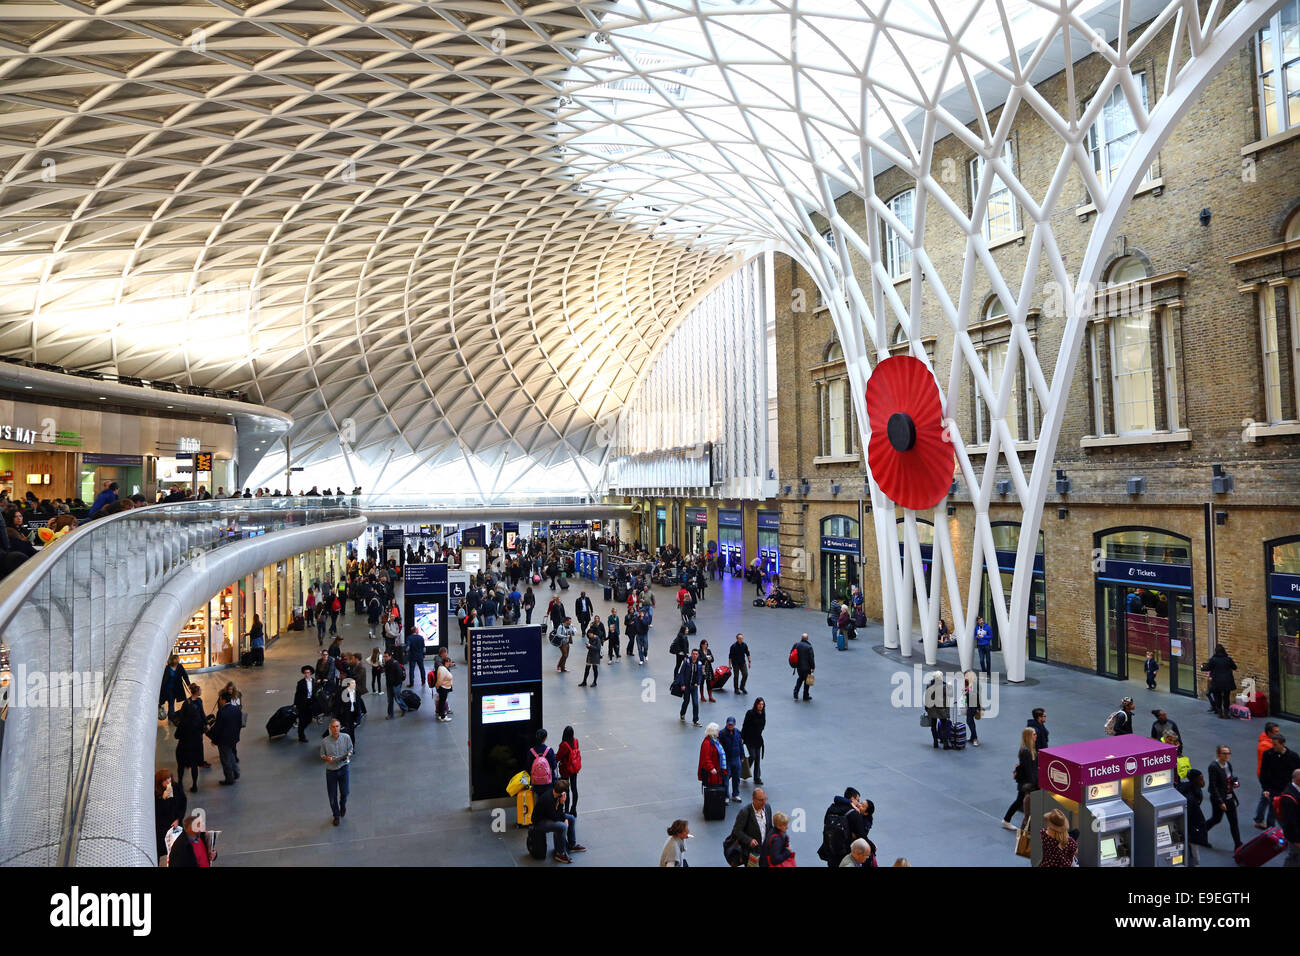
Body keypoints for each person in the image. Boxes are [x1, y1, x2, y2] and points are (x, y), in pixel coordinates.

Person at [818, 787, 872, 866]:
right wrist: (873, 847)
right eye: (858, 800)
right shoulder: (854, 814)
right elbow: (862, 837)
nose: (858, 803)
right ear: (852, 799)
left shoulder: (831, 808)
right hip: (845, 855)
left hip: (831, 851)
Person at [1205, 744, 1243, 851]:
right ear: (1218, 754)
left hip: (1229, 798)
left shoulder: (1228, 765)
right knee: (1216, 819)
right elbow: (1213, 786)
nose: (1227, 755)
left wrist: (1236, 783)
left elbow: (1231, 778)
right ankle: (1199, 834)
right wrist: (1221, 802)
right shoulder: (1213, 767)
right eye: (1224, 753)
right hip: (1220, 799)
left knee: (1233, 822)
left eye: (1228, 753)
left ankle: (1238, 844)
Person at [1260, 734, 1300, 826]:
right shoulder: (1268, 754)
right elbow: (1264, 772)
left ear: (1283, 744)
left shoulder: (1293, 756)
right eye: (1272, 744)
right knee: (1273, 810)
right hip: (1274, 788)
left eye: (1275, 744)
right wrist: (1265, 788)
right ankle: (1271, 830)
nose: (1273, 747)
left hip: (1289, 789)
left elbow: (1298, 773)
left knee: (1289, 811)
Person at [1003, 727, 1039, 829]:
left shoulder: (1029, 750)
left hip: (1025, 782)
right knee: (1019, 801)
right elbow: (1029, 769)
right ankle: (1006, 819)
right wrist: (1034, 782)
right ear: (1029, 737)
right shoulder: (1027, 752)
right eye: (1034, 734)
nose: (1036, 736)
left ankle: (1006, 820)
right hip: (1026, 783)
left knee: (1019, 801)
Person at [174, 683, 206, 793]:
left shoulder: (186, 704)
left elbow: (181, 719)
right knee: (194, 764)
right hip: (196, 740)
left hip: (185, 742)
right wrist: (205, 724)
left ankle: (180, 782)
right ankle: (194, 785)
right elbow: (202, 714)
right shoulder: (198, 703)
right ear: (197, 692)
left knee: (181, 764)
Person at [321, 718, 353, 826]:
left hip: (344, 768)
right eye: (333, 727)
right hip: (331, 772)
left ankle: (342, 805)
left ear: (340, 727)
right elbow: (322, 755)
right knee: (332, 796)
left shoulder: (346, 737)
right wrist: (327, 758)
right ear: (330, 728)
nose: (335, 729)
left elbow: (350, 750)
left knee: (345, 792)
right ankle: (336, 815)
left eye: (337, 726)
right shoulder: (325, 741)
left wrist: (347, 756)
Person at [1176, 768, 1210, 866]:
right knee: (1195, 856)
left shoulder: (1196, 790)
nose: (1203, 781)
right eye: (1201, 778)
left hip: (1192, 827)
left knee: (1192, 852)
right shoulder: (1190, 797)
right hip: (1191, 829)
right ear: (1195, 780)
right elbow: (1188, 816)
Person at [731, 787, 773, 864]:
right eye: (761, 800)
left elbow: (770, 827)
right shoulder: (745, 812)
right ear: (753, 799)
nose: (764, 802)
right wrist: (749, 840)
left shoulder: (767, 807)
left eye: (765, 799)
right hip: (751, 852)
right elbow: (737, 831)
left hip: (765, 851)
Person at [154, 770, 187, 864]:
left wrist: (178, 819)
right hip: (162, 828)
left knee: (178, 848)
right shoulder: (156, 794)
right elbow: (157, 812)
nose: (168, 782)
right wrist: (163, 799)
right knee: (162, 849)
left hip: (175, 824)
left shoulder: (176, 787)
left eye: (169, 778)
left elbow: (182, 803)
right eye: (165, 780)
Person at [1253, 722, 1282, 829]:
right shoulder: (1267, 746)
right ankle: (1269, 824)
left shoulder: (1265, 741)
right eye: (1276, 732)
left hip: (1265, 775)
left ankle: (1259, 819)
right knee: (1273, 800)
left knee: (1265, 797)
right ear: (1269, 733)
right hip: (1268, 777)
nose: (1279, 734)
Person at [210, 690, 242, 786]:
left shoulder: (221, 712)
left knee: (225, 759)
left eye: (220, 699)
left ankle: (229, 779)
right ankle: (236, 772)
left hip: (223, 740)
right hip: (233, 737)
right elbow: (239, 724)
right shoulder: (236, 709)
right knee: (231, 754)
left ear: (223, 700)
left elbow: (218, 728)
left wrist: (214, 740)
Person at [1200, 645, 1237, 718]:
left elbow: (1207, 668)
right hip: (1227, 681)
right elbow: (1234, 667)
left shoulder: (1213, 660)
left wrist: (1202, 667)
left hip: (1216, 682)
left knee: (1217, 697)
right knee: (1226, 697)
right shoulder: (1228, 659)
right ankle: (1226, 713)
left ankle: (1220, 713)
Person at [676, 648, 705, 727]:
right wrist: (682, 684)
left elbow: (700, 675)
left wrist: (698, 683)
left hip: (694, 687)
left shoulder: (699, 663)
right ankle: (682, 713)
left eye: (696, 654)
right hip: (686, 686)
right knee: (686, 701)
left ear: (698, 655)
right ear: (691, 654)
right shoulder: (686, 662)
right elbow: (681, 673)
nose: (695, 655)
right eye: (693, 654)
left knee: (695, 703)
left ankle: (695, 721)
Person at [1277, 769, 1300, 867]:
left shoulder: (1294, 790)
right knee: (1294, 856)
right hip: (1295, 835)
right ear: (1298, 780)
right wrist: (1297, 840)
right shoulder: (1288, 797)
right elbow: (1290, 822)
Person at [557, 726, 582, 815]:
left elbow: (558, 757)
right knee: (574, 788)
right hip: (574, 768)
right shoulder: (576, 741)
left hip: (565, 770)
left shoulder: (564, 745)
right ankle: (573, 809)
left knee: (566, 790)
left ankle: (566, 810)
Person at [158, 653, 191, 721]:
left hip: (176, 688)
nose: (178, 660)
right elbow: (162, 679)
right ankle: (171, 717)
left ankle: (171, 716)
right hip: (167, 689)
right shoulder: (167, 668)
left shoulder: (179, 667)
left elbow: (185, 676)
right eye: (177, 659)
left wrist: (188, 684)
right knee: (171, 702)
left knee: (172, 702)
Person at [719, 716, 744, 802]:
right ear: (726, 724)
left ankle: (735, 794)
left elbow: (740, 745)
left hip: (736, 759)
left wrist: (742, 756)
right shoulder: (722, 733)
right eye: (729, 724)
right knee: (725, 779)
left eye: (732, 725)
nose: (730, 726)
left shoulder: (737, 732)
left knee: (736, 778)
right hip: (727, 760)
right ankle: (726, 796)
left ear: (735, 724)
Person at [741, 698, 766, 786]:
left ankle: (757, 778)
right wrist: (742, 737)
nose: (761, 706)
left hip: (758, 739)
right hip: (749, 739)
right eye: (759, 704)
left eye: (762, 704)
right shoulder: (750, 713)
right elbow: (745, 725)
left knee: (757, 759)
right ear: (756, 704)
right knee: (753, 756)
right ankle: (744, 770)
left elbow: (763, 725)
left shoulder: (763, 714)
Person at [925, 672, 951, 749]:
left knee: (933, 725)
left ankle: (935, 742)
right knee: (944, 725)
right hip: (941, 709)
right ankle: (945, 743)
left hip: (932, 708)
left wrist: (926, 707)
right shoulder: (944, 686)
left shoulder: (929, 685)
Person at [294, 665, 318, 741]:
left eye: (308, 672)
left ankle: (300, 730)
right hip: (303, 702)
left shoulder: (314, 681)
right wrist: (295, 704)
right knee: (302, 719)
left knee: (309, 719)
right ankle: (301, 735)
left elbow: (316, 692)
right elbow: (297, 694)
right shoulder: (300, 683)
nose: (306, 674)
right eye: (305, 673)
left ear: (310, 673)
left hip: (311, 702)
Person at [383, 651, 408, 718]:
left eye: (386, 656)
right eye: (384, 656)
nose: (385, 658)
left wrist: (396, 684)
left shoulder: (395, 663)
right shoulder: (387, 663)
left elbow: (399, 675)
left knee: (398, 698)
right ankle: (390, 714)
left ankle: (404, 708)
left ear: (390, 656)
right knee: (390, 700)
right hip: (389, 684)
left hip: (395, 685)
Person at [792, 632, 815, 702]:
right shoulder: (809, 647)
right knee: (808, 681)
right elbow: (811, 658)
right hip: (807, 667)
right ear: (807, 639)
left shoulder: (796, 645)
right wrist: (813, 667)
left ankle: (795, 693)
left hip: (799, 667)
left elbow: (792, 653)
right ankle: (805, 696)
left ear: (801, 638)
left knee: (800, 679)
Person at [962, 670, 982, 747]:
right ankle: (972, 737)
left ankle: (975, 738)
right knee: (970, 721)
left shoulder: (974, 684)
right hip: (970, 704)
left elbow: (976, 695)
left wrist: (978, 708)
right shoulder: (968, 683)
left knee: (970, 721)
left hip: (973, 705)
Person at [579, 622, 602, 687]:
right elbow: (590, 647)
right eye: (588, 634)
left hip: (595, 656)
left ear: (592, 633)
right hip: (590, 655)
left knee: (595, 669)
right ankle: (584, 681)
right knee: (587, 669)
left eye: (589, 634)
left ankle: (595, 682)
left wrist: (590, 646)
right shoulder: (591, 638)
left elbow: (598, 648)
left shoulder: (597, 639)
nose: (589, 636)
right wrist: (588, 646)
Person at [405, 624, 426, 689]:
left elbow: (408, 647)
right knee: (422, 668)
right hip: (420, 656)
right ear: (416, 631)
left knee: (412, 670)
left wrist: (405, 652)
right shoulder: (421, 637)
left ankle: (411, 683)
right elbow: (424, 647)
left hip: (412, 656)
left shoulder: (409, 638)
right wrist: (424, 654)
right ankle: (423, 682)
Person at [434, 656, 454, 721]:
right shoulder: (442, 669)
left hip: (444, 687)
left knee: (441, 702)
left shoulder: (443, 668)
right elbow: (440, 680)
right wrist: (437, 686)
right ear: (447, 662)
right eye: (449, 662)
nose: (450, 663)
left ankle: (440, 715)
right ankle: (443, 717)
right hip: (443, 688)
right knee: (442, 702)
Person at [699, 638, 717, 703]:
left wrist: (710, 659)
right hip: (702, 669)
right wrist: (705, 658)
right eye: (704, 644)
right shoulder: (699, 651)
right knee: (701, 683)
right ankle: (702, 696)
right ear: (701, 645)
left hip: (708, 668)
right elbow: (699, 659)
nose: (705, 646)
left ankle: (710, 696)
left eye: (706, 644)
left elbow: (713, 659)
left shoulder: (708, 650)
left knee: (708, 683)